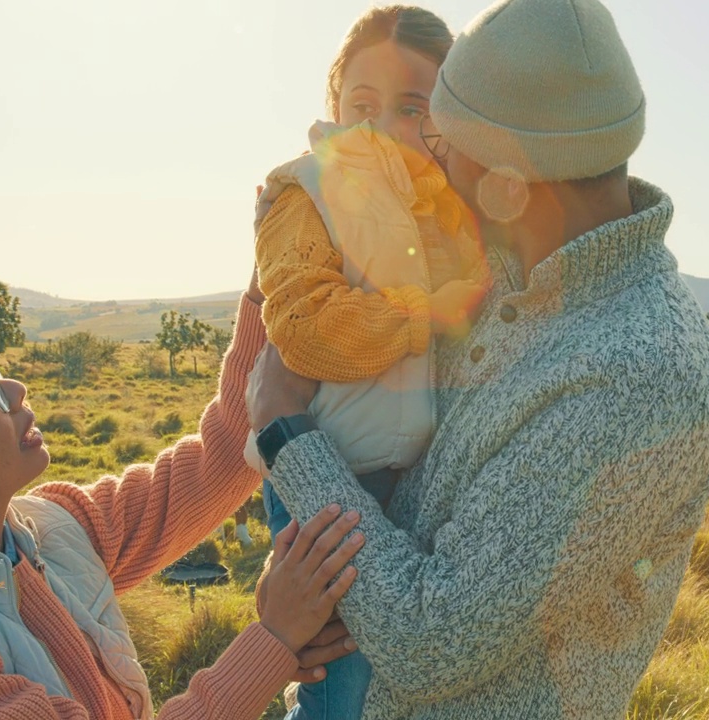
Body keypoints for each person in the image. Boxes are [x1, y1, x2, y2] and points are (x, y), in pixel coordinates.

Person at [250, 0, 709, 717]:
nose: (416, 157)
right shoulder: (508, 265)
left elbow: (426, 639)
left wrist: (288, 435)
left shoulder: (637, 371)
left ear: (508, 190)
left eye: (441, 139)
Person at [0, 269, 363, 719]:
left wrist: (269, 277)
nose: (13, 390)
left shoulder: (52, 528)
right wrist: (273, 640)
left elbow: (223, 458)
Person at [248, 6, 486, 718]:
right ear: (333, 108)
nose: (383, 125)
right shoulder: (305, 190)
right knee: (341, 683)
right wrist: (424, 315)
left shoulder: (438, 207)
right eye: (362, 105)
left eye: (412, 108)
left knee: (395, 679)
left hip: (404, 480)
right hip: (323, 470)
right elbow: (306, 328)